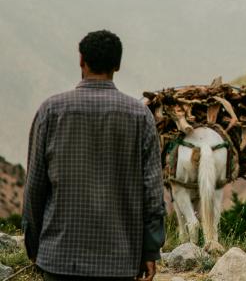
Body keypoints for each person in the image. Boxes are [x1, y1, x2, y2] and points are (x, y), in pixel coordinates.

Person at [23, 30, 165, 281]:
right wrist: (150, 249)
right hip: (120, 260)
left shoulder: (50, 111)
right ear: (117, 65)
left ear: (81, 60)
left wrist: (34, 246)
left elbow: (34, 187)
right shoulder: (140, 116)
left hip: (59, 258)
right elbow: (152, 191)